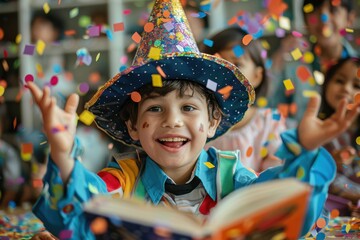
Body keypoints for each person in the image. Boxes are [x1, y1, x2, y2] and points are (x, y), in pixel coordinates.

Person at [28, 0, 359, 239]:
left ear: (213, 122)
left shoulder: (232, 175)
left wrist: (303, 152)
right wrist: (62, 155)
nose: (173, 121)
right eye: (155, 108)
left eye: (188, 108)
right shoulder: (122, 180)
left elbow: (280, 206)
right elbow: (78, 216)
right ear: (132, 125)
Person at [201, 27, 286, 172]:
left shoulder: (269, 122)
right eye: (217, 64)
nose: (226, 72)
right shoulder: (197, 121)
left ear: (257, 76)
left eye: (237, 65)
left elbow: (276, 172)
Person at [269, 0, 357, 126]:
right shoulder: (292, 66)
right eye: (315, 11)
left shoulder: (357, 68)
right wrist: (278, 60)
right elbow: (270, 109)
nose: (324, 18)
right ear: (305, 20)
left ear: (350, 19)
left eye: (333, 10)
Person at [318, 57, 360, 215]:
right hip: (328, 211)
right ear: (326, 84)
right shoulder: (315, 130)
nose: (346, 89)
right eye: (339, 81)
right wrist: (330, 162)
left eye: (356, 85)